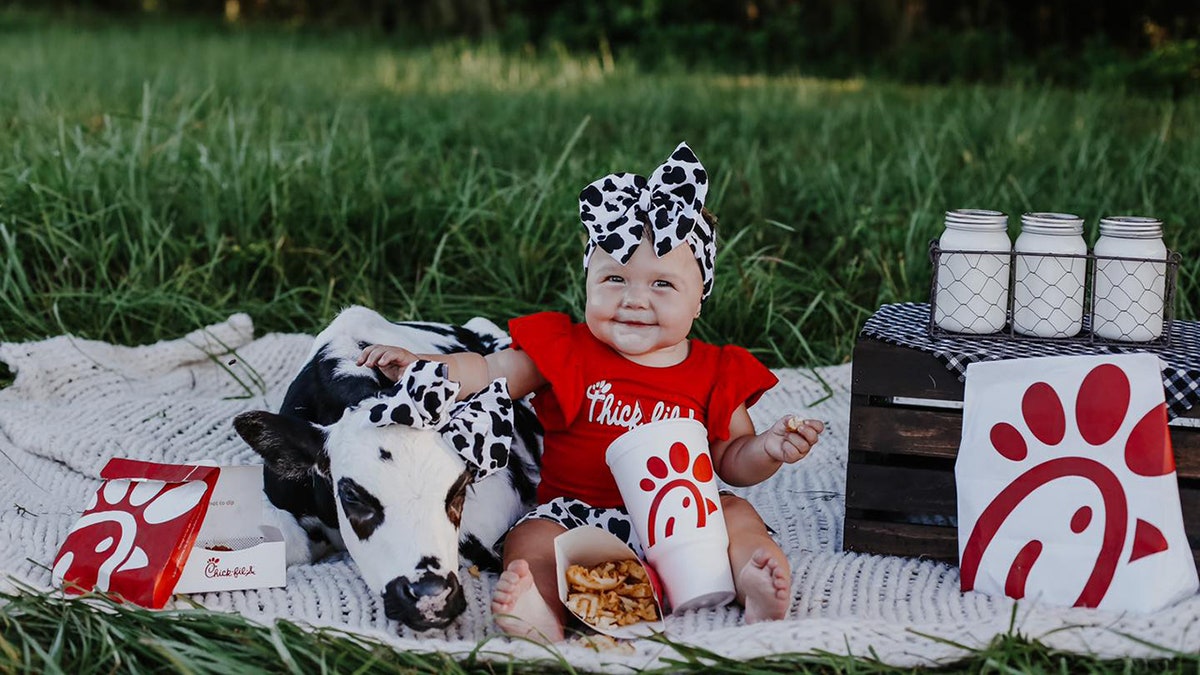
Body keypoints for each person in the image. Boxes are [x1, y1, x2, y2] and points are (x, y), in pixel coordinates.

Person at [357, 142, 824, 642]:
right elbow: (489, 370)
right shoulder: (567, 349)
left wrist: (769, 450)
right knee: (530, 537)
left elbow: (731, 458)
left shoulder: (716, 369)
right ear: (588, 283)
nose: (634, 299)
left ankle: (753, 575)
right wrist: (425, 367)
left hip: (684, 517)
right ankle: (539, 605)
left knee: (737, 514)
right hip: (579, 514)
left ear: (699, 299)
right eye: (614, 278)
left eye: (662, 285)